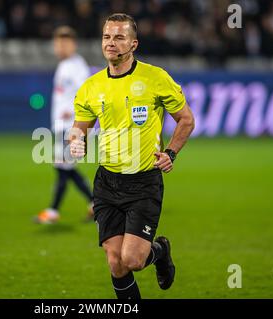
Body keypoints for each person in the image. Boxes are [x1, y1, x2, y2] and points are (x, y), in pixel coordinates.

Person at [69, 14, 195, 299]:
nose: (111, 43)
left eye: (119, 37)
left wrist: (171, 153)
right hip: (107, 182)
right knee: (116, 262)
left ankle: (160, 251)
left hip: (144, 183)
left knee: (134, 260)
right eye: (106, 37)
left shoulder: (155, 78)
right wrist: (76, 142)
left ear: (133, 43)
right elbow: (79, 129)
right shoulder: (91, 87)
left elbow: (186, 119)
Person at [35, 26, 94, 224]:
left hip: (71, 126)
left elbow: (86, 92)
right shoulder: (64, 65)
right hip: (62, 125)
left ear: (73, 44)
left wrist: (76, 113)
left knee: (62, 167)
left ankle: (53, 211)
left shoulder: (77, 66)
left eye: (65, 42)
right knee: (65, 167)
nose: (61, 46)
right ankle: (95, 204)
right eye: (58, 42)